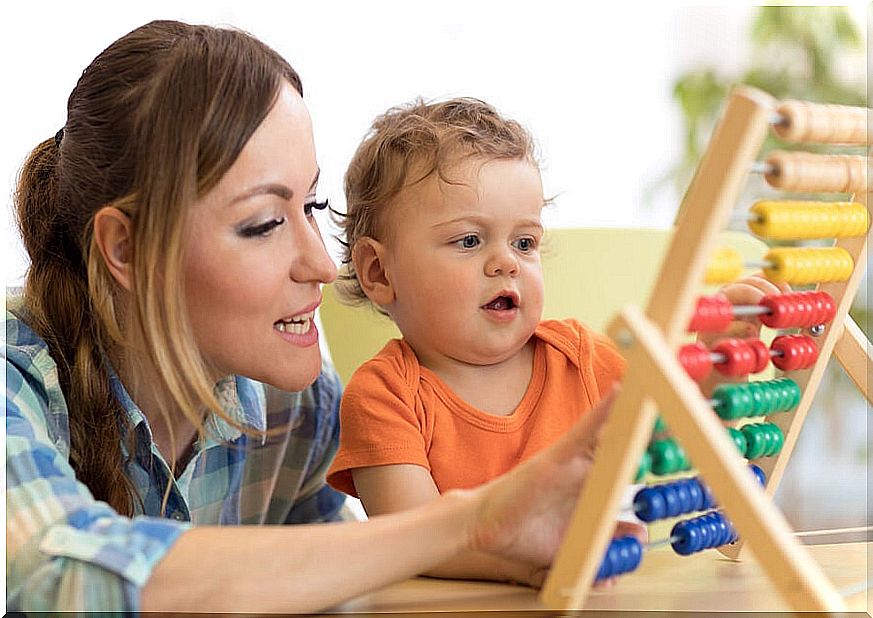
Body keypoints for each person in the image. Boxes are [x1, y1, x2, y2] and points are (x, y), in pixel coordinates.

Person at [5, 20, 629, 614]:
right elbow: (54, 575)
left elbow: (338, 583)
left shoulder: (296, 414)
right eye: (265, 223)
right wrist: (473, 523)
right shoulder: (17, 381)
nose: (324, 267)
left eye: (312, 204)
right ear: (127, 249)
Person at [326, 97, 785, 585]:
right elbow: (409, 541)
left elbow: (680, 438)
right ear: (379, 271)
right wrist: (523, 563)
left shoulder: (580, 357)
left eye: (524, 242)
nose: (507, 263)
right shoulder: (383, 396)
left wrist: (715, 356)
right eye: (469, 240)